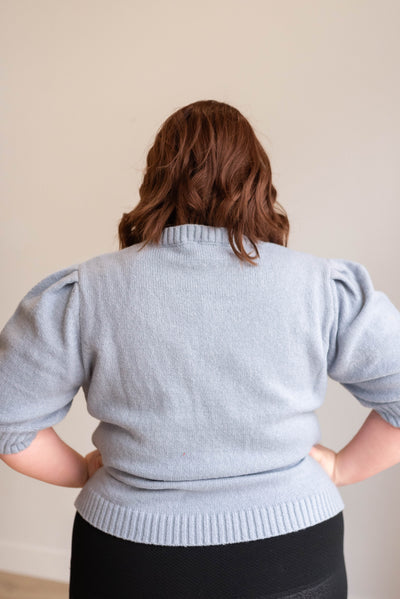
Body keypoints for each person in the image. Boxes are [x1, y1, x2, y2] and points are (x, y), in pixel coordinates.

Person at [1, 100, 400, 599]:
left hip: (131, 554)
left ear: (154, 179)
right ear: (259, 179)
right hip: (294, 553)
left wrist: (82, 470)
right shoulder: (320, 285)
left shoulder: (86, 291)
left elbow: (9, 423)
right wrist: (343, 468)